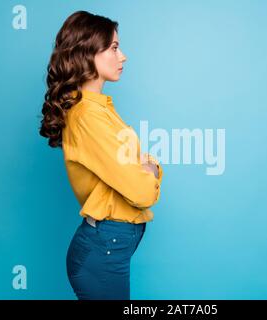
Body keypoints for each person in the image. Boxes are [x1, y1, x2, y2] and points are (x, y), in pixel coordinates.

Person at [39, 10, 163, 300]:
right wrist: (150, 170)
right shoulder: (88, 117)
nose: (123, 57)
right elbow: (141, 191)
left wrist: (147, 167)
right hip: (103, 251)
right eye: (115, 47)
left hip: (111, 247)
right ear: (87, 53)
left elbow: (143, 164)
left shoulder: (100, 109)